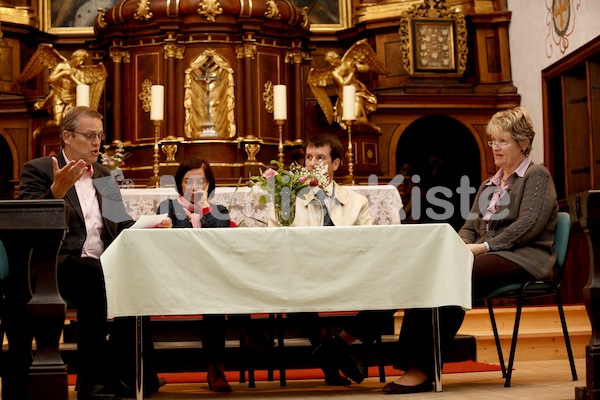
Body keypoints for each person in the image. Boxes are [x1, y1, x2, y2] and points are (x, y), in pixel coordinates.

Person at [383, 106, 559, 394]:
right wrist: (461, 246)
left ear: (524, 143)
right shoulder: (490, 183)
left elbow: (528, 225)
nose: (495, 147)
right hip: (488, 254)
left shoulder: (537, 176)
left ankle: (422, 370)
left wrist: (484, 246)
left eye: (503, 141)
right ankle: (417, 366)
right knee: (433, 274)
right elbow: (470, 226)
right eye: (492, 141)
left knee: (452, 276)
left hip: (524, 257)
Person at [18, 106, 172, 400]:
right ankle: (91, 382)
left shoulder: (103, 175)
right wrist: (56, 192)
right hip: (56, 264)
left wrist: (151, 224)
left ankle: (126, 375)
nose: (96, 143)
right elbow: (27, 220)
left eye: (100, 136)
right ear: (66, 136)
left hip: (100, 265)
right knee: (93, 273)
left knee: (138, 274)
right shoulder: (38, 169)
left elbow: (120, 222)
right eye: (89, 136)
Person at [268, 133, 395, 386]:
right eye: (309, 157)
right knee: (287, 287)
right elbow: (274, 241)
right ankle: (334, 355)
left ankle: (335, 347)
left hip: (348, 274)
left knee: (394, 292)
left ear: (336, 164)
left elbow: (367, 245)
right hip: (303, 275)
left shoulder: (356, 202)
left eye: (321, 158)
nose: (313, 164)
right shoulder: (287, 198)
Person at [157, 156, 267, 392]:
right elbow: (182, 239)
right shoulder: (168, 207)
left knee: (214, 292)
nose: (194, 187)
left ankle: (215, 368)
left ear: (209, 185)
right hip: (181, 273)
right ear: (179, 183)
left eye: (201, 182)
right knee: (215, 289)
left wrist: (204, 207)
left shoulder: (219, 210)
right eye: (188, 181)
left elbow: (220, 237)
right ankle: (246, 326)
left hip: (212, 277)